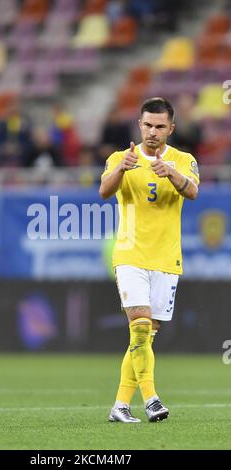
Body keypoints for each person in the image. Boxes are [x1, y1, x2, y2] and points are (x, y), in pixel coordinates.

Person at [99, 97, 199, 423]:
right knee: (140, 328)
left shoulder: (183, 160)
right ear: (139, 125)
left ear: (171, 128)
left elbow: (193, 191)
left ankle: (120, 405)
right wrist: (120, 169)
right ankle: (152, 399)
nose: (152, 132)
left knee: (144, 336)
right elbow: (103, 191)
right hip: (130, 254)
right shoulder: (120, 157)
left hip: (166, 258)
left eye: (159, 126)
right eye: (147, 125)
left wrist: (170, 174)